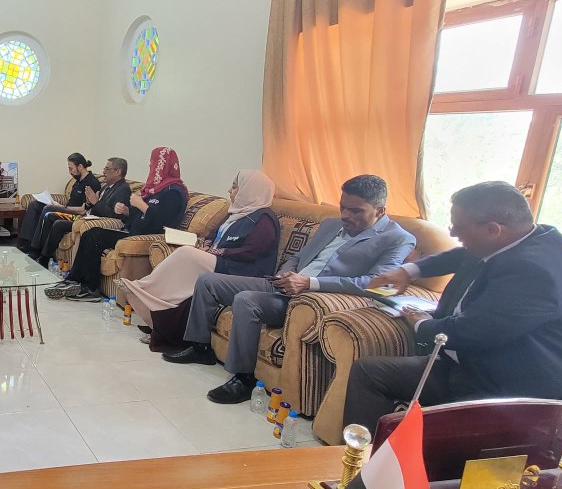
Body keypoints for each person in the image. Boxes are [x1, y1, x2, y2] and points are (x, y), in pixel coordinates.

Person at [343, 181, 562, 432]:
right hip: (484, 366)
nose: (451, 232)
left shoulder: (534, 272)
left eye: (458, 227)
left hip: (519, 392)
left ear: (493, 229)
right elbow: (464, 254)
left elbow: (470, 332)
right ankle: (359, 455)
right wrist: (409, 270)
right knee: (369, 372)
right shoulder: (533, 237)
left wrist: (421, 322)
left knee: (427, 432)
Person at [165, 175, 417, 407]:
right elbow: (297, 257)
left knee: (246, 300)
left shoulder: (398, 238)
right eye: (343, 207)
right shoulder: (331, 225)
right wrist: (286, 273)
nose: (345, 215)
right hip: (285, 284)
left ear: (380, 211)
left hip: (311, 299)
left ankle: (243, 378)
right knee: (208, 281)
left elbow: (376, 283)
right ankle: (200, 348)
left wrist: (309, 283)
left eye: (356, 210)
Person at [119, 170, 280, 352]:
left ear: (250, 190)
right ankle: (157, 312)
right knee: (184, 271)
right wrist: (206, 245)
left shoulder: (264, 218)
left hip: (242, 270)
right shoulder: (236, 213)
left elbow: (252, 251)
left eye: (235, 187)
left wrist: (216, 251)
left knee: (186, 254)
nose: (229, 190)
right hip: (221, 260)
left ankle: (143, 288)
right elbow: (213, 235)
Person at [46, 147, 189, 302]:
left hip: (142, 237)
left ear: (163, 165)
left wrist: (141, 205)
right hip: (131, 230)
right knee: (90, 233)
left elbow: (162, 223)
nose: (151, 168)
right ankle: (74, 280)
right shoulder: (154, 189)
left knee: (94, 235)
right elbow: (140, 216)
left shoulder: (174, 192)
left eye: (153, 164)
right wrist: (127, 211)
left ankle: (91, 289)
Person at [30, 157, 132, 269]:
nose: (103, 172)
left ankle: (44, 258)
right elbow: (91, 207)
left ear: (117, 172)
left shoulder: (123, 189)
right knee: (50, 215)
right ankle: (39, 252)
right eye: (104, 168)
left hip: (92, 222)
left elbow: (114, 215)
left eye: (107, 169)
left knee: (59, 224)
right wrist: (89, 202)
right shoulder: (106, 187)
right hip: (86, 217)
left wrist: (96, 202)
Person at [16, 152, 101, 255]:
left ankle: (35, 249)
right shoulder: (78, 180)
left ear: (80, 166)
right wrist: (61, 206)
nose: (70, 172)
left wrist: (63, 207)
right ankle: (25, 243)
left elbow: (83, 210)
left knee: (48, 209)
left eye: (71, 168)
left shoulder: (91, 183)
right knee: (35, 205)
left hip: (77, 216)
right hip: (67, 209)